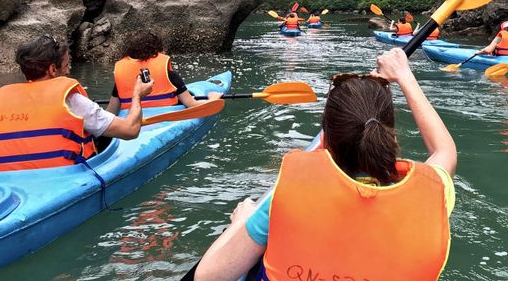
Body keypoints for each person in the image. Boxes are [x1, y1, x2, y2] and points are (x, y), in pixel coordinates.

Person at [191, 48, 457, 281]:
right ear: (392, 137)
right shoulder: (433, 194)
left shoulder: (288, 194)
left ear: (326, 140)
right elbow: (444, 150)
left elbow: (208, 276)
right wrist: (404, 76)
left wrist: (243, 221)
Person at [0, 35, 153, 174]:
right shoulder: (71, 100)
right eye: (67, 65)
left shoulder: (0, 100)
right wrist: (137, 95)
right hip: (61, 180)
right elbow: (130, 130)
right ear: (53, 70)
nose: (69, 70)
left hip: (3, 183)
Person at [107, 32, 221, 114]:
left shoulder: (122, 76)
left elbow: (111, 111)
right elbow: (191, 104)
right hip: (165, 116)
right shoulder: (170, 75)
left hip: (131, 119)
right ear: (157, 51)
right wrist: (212, 99)